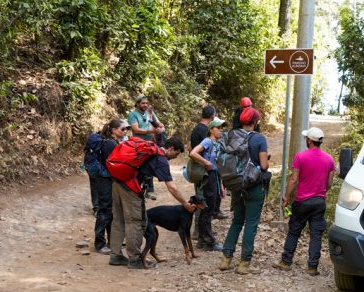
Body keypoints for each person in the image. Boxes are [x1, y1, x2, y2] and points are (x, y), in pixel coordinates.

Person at [107, 135, 187, 270]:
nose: (175, 157)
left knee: (118, 220)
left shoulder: (150, 148)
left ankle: (115, 256)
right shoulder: (160, 159)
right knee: (135, 222)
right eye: (176, 153)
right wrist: (185, 203)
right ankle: (135, 259)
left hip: (117, 182)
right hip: (131, 187)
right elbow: (172, 187)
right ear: (172, 148)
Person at [273, 127, 335, 276]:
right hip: (319, 202)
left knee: (294, 231)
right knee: (316, 234)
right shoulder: (329, 159)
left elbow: (294, 179)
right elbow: (330, 182)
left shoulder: (300, 156)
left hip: (302, 201)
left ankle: (286, 262)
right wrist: (321, 192)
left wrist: (287, 197)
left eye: (306, 138)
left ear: (309, 140)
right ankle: (312, 267)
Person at [217, 107, 269, 274]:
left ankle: (226, 259)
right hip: (253, 186)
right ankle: (244, 263)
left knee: (237, 221)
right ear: (255, 122)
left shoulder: (232, 135)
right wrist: (265, 161)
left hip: (236, 184)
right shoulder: (259, 139)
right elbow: (264, 166)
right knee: (251, 223)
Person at [86, 118, 128, 254]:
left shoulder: (113, 141)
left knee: (110, 209)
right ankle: (100, 244)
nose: (125, 131)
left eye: (126, 129)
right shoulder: (110, 143)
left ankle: (112, 241)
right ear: (114, 130)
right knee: (105, 208)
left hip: (106, 177)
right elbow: (113, 163)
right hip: (104, 178)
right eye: (123, 129)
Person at [188, 117, 227, 250]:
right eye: (218, 128)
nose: (221, 130)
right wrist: (206, 163)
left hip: (215, 176)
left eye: (222, 128)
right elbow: (193, 153)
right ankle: (208, 241)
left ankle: (201, 240)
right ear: (211, 130)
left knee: (209, 207)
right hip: (208, 177)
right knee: (208, 208)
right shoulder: (207, 141)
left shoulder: (218, 143)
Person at [128, 95, 165, 199]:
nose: (145, 105)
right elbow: (136, 130)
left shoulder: (149, 112)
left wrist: (162, 127)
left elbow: (158, 123)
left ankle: (149, 190)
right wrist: (152, 131)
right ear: (137, 104)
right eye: (142, 103)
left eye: (146, 103)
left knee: (150, 165)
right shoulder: (132, 114)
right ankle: (137, 190)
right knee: (139, 166)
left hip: (150, 143)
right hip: (138, 144)